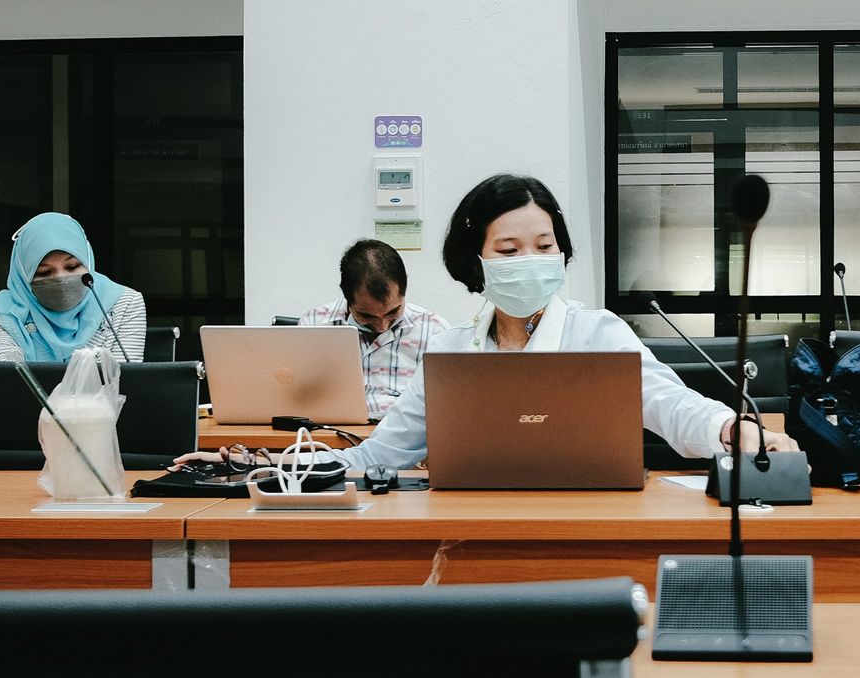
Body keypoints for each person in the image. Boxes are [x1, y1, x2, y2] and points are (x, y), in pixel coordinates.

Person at [179, 174, 794, 475]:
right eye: (508, 249)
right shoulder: (452, 351)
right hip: (469, 528)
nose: (530, 260)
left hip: (585, 528)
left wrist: (732, 428)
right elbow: (381, 454)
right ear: (476, 262)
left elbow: (672, 406)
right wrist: (269, 466)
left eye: (544, 245)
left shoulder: (596, 333)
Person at [296, 239, 449, 419]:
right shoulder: (314, 324)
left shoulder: (434, 330)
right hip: (328, 427)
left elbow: (447, 403)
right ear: (346, 296)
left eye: (393, 312)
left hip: (404, 431)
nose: (382, 326)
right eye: (367, 316)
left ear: (404, 289)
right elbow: (297, 394)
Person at [0, 211, 146, 363]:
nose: (60, 279)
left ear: (88, 262)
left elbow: (123, 376)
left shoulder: (124, 303)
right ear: (23, 276)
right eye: (44, 272)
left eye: (72, 266)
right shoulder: (9, 310)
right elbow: (1, 373)